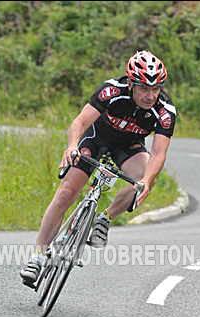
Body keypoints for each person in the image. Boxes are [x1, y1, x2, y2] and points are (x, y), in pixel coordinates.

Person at [20, 50, 177, 286]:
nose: (150, 95)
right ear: (132, 84)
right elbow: (80, 122)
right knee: (66, 193)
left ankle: (105, 219)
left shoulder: (165, 111)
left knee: (143, 179)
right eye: (144, 88)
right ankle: (38, 255)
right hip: (96, 140)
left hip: (128, 148)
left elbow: (158, 154)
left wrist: (147, 180)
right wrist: (72, 146)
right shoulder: (112, 91)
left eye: (155, 89)